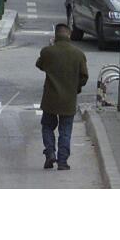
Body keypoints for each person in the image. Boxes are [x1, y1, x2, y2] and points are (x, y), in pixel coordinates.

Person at [36, 23, 88, 170]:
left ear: (55, 36)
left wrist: (51, 47)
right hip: (69, 99)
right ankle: (63, 161)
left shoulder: (48, 51)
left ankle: (50, 152)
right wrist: (76, 88)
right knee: (65, 130)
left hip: (50, 98)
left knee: (47, 126)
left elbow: (39, 65)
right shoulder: (78, 54)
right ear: (69, 35)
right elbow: (84, 76)